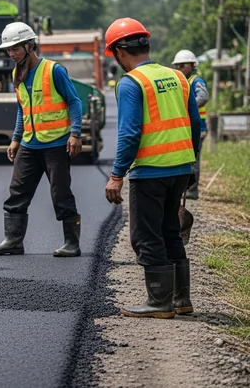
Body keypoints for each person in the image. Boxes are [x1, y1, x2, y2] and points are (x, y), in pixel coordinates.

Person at [103, 18, 200, 319]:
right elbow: (195, 123)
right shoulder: (178, 77)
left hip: (151, 170)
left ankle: (159, 302)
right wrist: (191, 163)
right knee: (171, 230)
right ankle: (181, 299)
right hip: (180, 168)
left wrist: (117, 175)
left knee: (146, 236)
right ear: (146, 44)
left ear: (119, 52)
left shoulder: (131, 83)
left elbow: (130, 133)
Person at [0, 21, 84, 258]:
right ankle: (13, 241)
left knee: (61, 194)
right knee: (17, 192)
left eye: (15, 48)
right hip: (29, 144)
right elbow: (23, 108)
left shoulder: (53, 70)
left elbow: (74, 101)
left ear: (29, 46)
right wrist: (16, 138)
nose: (11, 53)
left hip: (56, 143)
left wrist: (75, 133)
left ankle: (72, 243)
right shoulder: (16, 73)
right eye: (8, 50)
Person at [172, 49, 208, 200]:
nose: (179, 68)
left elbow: (203, 97)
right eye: (177, 66)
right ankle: (186, 189)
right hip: (190, 127)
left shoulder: (196, 80)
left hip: (199, 127)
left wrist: (187, 106)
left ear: (192, 65)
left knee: (194, 160)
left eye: (182, 65)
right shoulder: (184, 81)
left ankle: (192, 191)